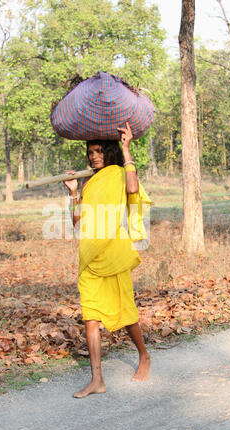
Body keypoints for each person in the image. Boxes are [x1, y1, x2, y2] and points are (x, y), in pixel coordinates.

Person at [64, 122, 151, 399]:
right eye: (90, 152)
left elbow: (134, 188)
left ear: (109, 152)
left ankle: (144, 356)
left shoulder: (117, 174)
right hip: (89, 256)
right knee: (90, 317)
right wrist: (73, 191)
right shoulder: (90, 183)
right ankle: (97, 380)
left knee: (125, 313)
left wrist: (127, 150)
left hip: (114, 253)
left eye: (99, 150)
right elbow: (77, 222)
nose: (93, 156)